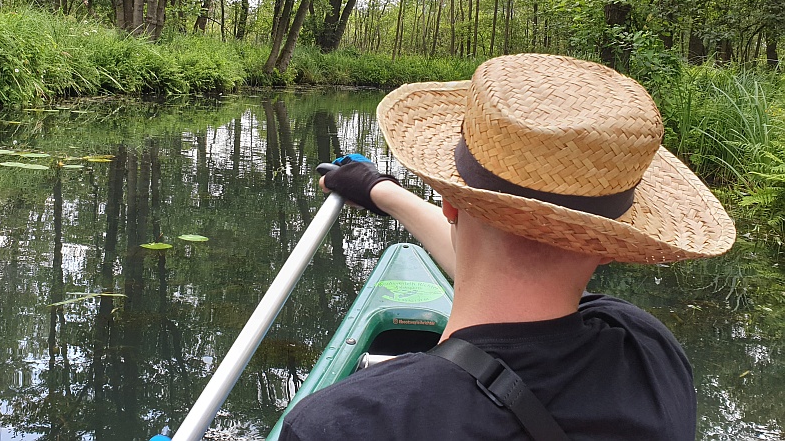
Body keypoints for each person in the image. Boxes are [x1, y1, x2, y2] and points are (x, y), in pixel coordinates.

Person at [279, 54, 736, 440]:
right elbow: (514, 284)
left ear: (450, 203)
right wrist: (383, 192)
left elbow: (493, 277)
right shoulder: (650, 351)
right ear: (612, 243)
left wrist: (381, 189)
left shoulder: (347, 425)